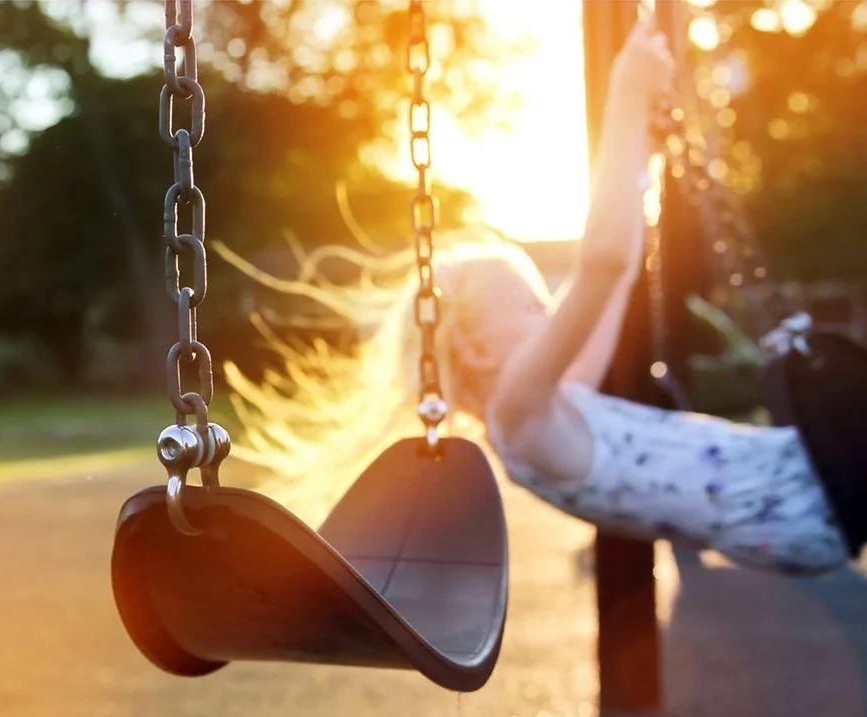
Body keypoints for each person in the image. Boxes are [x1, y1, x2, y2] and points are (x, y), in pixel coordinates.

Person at [220, 17, 851, 575]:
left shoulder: (558, 400)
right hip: (804, 497)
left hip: (799, 493)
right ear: (471, 343)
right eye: (524, 303)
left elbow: (621, 271)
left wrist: (640, 158)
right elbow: (600, 266)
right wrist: (626, 96)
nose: (547, 311)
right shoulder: (520, 417)